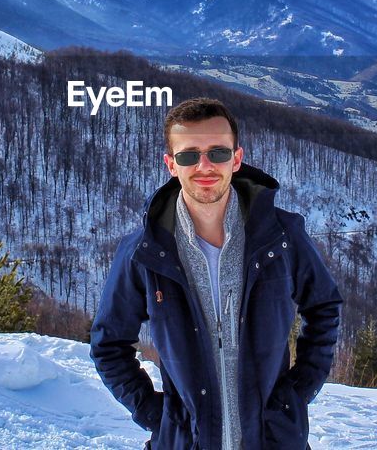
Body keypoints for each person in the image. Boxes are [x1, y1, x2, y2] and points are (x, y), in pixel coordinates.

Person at [90, 97, 343, 449]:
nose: (205, 166)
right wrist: (159, 416)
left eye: (218, 153)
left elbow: (325, 307)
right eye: (189, 155)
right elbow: (108, 346)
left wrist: (295, 395)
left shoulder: (282, 236)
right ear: (171, 165)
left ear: (237, 159)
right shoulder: (143, 253)